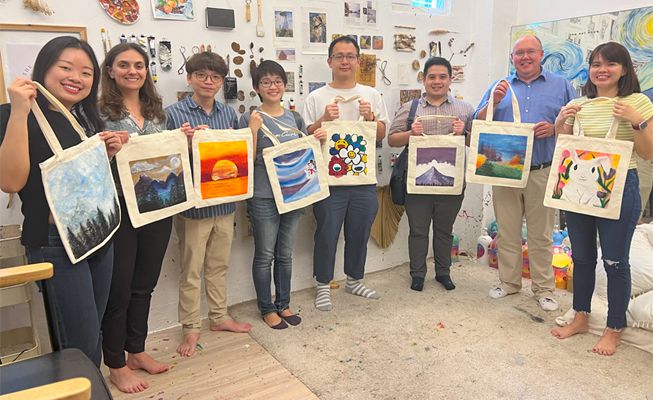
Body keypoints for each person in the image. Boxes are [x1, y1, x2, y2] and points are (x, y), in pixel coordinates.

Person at [0, 36, 124, 367]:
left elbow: (78, 180)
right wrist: (19, 111)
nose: (76, 78)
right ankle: (83, 387)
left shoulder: (82, 118)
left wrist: (106, 155)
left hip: (97, 234)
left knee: (91, 334)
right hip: (55, 242)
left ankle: (90, 386)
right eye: (65, 67)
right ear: (43, 68)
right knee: (78, 342)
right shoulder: (14, 113)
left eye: (86, 72)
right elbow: (10, 181)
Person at [551, 42, 653, 355]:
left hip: (620, 187)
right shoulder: (579, 103)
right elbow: (566, 148)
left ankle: (614, 328)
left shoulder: (638, 102)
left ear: (624, 69)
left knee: (615, 261)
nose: (602, 70)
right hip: (578, 188)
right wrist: (561, 122)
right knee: (581, 257)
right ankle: (581, 316)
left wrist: (637, 121)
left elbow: (647, 152)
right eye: (596, 64)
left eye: (610, 64)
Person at [474, 35, 576, 311]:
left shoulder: (561, 86)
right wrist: (493, 103)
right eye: (519, 53)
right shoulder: (499, 86)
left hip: (542, 169)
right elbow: (477, 123)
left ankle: (543, 289)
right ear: (512, 58)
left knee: (541, 234)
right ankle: (509, 282)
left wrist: (555, 129)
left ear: (541, 54)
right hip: (505, 171)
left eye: (531, 51)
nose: (525, 57)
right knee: (507, 231)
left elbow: (577, 123)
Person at [166, 52, 252, 357]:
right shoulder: (173, 114)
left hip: (225, 204)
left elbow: (237, 156)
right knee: (191, 270)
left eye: (215, 77)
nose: (208, 81)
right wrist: (184, 143)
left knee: (219, 265)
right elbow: (165, 162)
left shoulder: (229, 115)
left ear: (221, 82)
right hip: (193, 207)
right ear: (189, 78)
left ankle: (219, 317)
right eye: (201, 75)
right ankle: (190, 327)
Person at [99, 43, 171, 393]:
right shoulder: (99, 112)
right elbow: (90, 160)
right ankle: (115, 363)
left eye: (139, 65)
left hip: (159, 204)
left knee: (144, 284)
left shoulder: (157, 111)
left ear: (146, 71)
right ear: (110, 71)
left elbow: (167, 154)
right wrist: (106, 147)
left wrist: (184, 141)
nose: (132, 71)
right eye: (124, 65)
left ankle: (137, 350)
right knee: (120, 288)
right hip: (121, 212)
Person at [239, 60, 327, 329]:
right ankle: (267, 308)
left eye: (277, 81)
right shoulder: (249, 118)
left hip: (294, 193)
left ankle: (284, 304)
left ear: (284, 85)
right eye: (265, 82)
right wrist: (253, 131)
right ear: (257, 88)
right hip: (263, 196)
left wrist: (319, 139)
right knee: (265, 254)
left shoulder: (294, 118)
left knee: (285, 253)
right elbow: (245, 159)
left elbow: (302, 154)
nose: (272, 86)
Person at [302, 36, 389, 311]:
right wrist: (323, 120)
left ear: (358, 61)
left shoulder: (372, 95)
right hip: (329, 181)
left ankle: (354, 280)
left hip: (363, 180)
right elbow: (307, 136)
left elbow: (382, 134)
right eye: (339, 56)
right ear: (330, 61)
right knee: (326, 234)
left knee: (359, 232)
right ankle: (323, 285)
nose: (345, 61)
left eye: (350, 56)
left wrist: (371, 117)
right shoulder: (316, 97)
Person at [388, 57, 474, 292]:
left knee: (444, 231)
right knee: (418, 231)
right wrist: (411, 134)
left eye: (442, 77)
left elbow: (478, 143)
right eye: (432, 77)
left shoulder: (465, 109)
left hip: (452, 183)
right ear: (424, 79)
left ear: (450, 79)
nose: (437, 81)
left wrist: (464, 133)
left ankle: (443, 273)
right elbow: (392, 139)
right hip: (418, 183)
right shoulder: (410, 108)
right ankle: (417, 274)